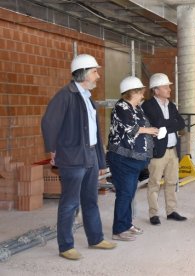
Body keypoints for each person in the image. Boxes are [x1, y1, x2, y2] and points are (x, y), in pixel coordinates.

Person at [41, 54, 116, 260]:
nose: (98, 76)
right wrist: (53, 150)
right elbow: (49, 123)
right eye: (94, 72)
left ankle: (96, 238)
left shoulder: (87, 97)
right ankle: (65, 246)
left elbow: (95, 132)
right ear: (83, 74)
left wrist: (100, 160)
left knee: (90, 200)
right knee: (70, 203)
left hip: (90, 154)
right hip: (72, 157)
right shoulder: (65, 95)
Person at [107, 76, 159, 241]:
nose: (144, 93)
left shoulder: (136, 107)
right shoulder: (121, 107)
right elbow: (131, 128)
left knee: (129, 193)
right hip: (122, 158)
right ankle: (118, 230)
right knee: (124, 193)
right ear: (134, 92)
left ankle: (126, 224)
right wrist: (150, 130)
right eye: (141, 90)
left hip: (134, 159)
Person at [141, 73, 187, 226]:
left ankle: (171, 211)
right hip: (158, 151)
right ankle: (153, 213)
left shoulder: (171, 104)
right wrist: (168, 123)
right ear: (156, 90)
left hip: (172, 150)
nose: (169, 89)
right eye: (166, 87)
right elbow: (157, 122)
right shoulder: (148, 105)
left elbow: (180, 123)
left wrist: (166, 124)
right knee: (154, 183)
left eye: (169, 87)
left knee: (172, 182)